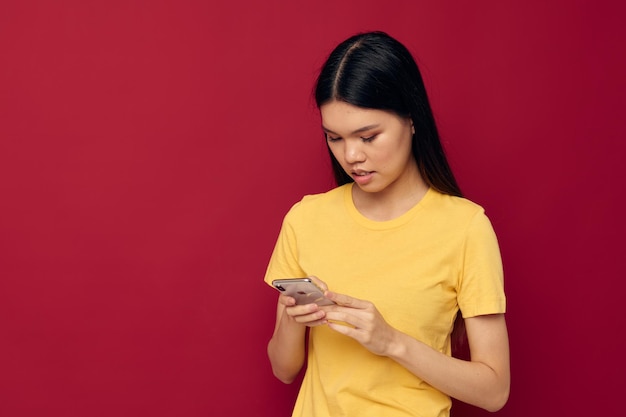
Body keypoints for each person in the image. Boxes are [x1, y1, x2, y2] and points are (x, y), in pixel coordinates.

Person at [264, 31, 510, 417]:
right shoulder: (306, 218)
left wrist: (392, 342)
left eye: (368, 136)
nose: (351, 155)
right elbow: (283, 369)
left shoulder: (465, 228)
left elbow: (494, 391)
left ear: (411, 120)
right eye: (334, 138)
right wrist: (295, 321)